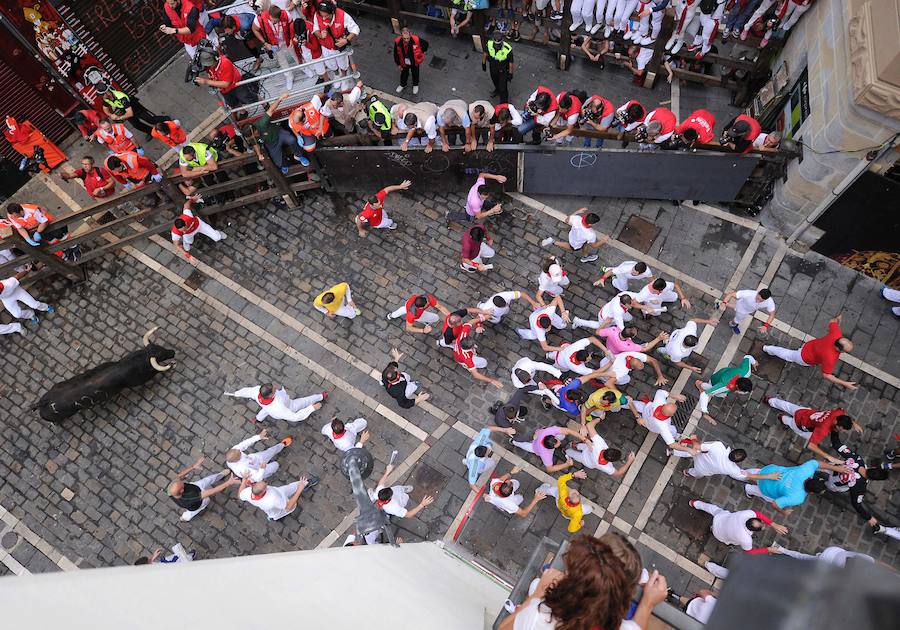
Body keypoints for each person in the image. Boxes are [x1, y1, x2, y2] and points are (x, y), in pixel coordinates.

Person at [499, 533, 670, 630]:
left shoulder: (539, 617)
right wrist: (647, 603)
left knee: (535, 585)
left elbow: (503, 628)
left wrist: (537, 594)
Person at [764, 315, 856, 390]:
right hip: (804, 357)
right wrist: (844, 383)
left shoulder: (836, 334)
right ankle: (767, 349)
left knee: (790, 354)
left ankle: (768, 349)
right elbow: (826, 375)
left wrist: (838, 319)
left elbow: (833, 321)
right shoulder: (830, 358)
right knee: (787, 355)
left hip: (809, 345)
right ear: (839, 349)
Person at [764, 397, 861, 464]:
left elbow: (843, 413)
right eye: (842, 428)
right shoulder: (823, 429)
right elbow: (811, 445)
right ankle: (782, 418)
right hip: (800, 424)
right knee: (790, 422)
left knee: (787, 405)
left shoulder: (838, 413)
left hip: (805, 412)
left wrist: (853, 423)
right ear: (837, 423)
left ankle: (770, 400)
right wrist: (827, 456)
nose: (842, 431)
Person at [744, 459, 852, 515]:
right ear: (811, 492)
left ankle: (741, 474)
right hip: (767, 490)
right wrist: (783, 511)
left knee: (746, 473)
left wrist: (837, 469)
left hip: (768, 471)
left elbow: (817, 463)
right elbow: (775, 503)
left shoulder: (806, 470)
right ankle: (748, 489)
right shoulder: (798, 498)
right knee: (756, 491)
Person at [247, 92, 309, 171]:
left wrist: (280, 98)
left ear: (255, 130)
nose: (253, 137)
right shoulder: (250, 137)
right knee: (278, 162)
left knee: (292, 140)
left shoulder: (261, 123)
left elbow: (271, 110)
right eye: (251, 137)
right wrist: (259, 154)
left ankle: (299, 156)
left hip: (279, 133)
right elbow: (256, 145)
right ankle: (283, 164)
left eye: (253, 135)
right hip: (271, 143)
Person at [691, 499, 788, 550]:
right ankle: (711, 529)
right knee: (731, 541)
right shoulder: (746, 539)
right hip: (718, 534)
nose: (763, 522)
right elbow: (749, 551)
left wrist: (774, 525)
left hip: (720, 517)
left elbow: (758, 514)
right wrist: (769, 550)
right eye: (762, 524)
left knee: (712, 508)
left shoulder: (747, 514)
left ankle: (695, 503)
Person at [167, 457, 237, 521]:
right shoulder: (190, 497)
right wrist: (228, 483)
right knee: (199, 506)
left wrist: (193, 467)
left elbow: (178, 477)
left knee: (208, 479)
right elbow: (213, 491)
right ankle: (185, 518)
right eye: (181, 483)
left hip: (194, 487)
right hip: (198, 502)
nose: (181, 480)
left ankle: (221, 475)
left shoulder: (170, 489)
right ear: (182, 490)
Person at [679, 437, 779, 481]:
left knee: (690, 452)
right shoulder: (733, 469)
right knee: (696, 473)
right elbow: (748, 477)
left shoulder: (718, 446)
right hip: (702, 470)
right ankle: (687, 472)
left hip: (698, 457)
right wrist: (769, 476)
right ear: (738, 462)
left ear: (733, 450)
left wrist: (694, 439)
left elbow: (699, 447)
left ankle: (673, 451)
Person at [696, 354, 756, 424]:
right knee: (714, 392)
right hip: (715, 381)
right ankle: (700, 385)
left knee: (720, 394)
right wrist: (705, 412)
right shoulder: (724, 387)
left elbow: (747, 357)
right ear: (737, 387)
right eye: (742, 391)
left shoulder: (746, 372)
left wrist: (754, 362)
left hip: (723, 372)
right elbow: (704, 395)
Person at [633, 389, 698, 454]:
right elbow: (672, 444)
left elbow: (660, 392)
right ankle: (676, 436)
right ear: (671, 415)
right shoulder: (663, 426)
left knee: (633, 404)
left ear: (663, 405)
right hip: (650, 426)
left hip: (646, 411)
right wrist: (689, 450)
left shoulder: (659, 402)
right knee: (673, 430)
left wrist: (675, 396)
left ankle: (624, 404)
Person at [567, 418, 636, 478]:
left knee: (582, 446)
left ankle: (574, 445)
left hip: (588, 448)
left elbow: (589, 425)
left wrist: (599, 418)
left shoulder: (600, 444)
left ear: (609, 449)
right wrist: (629, 461)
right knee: (574, 455)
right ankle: (566, 451)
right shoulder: (605, 467)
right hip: (587, 461)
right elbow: (618, 473)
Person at [224, 383, 325, 423]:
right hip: (289, 406)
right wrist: (312, 408)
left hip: (268, 408)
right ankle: (320, 396)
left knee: (265, 411)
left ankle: (258, 419)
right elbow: (295, 417)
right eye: (274, 389)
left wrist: (236, 394)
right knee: (305, 401)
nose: (275, 387)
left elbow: (246, 391)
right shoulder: (279, 407)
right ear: (271, 395)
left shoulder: (257, 391)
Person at [540, 207, 610, 263]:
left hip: (573, 236)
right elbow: (594, 245)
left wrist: (577, 212)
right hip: (576, 243)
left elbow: (567, 220)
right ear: (590, 224)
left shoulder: (576, 218)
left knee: (585, 244)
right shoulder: (591, 234)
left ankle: (585, 256)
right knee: (572, 247)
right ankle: (553, 242)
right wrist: (603, 240)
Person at [311, 1, 360, 79]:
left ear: (332, 12)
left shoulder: (343, 15)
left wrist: (346, 40)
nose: (323, 18)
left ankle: (344, 78)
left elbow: (355, 29)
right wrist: (320, 35)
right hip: (325, 46)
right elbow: (315, 28)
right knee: (330, 64)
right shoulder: (317, 14)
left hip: (338, 48)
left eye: (326, 16)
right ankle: (337, 75)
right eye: (322, 15)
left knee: (343, 65)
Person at [252, 5, 297, 89]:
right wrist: (265, 43)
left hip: (286, 39)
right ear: (269, 15)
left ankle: (304, 67)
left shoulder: (286, 14)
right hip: (274, 43)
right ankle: (289, 77)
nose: (274, 22)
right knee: (281, 60)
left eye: (276, 21)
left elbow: (291, 24)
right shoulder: (259, 19)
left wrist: (292, 37)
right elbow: (254, 29)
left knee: (295, 54)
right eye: (272, 20)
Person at [536, 367, 611, 417]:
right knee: (553, 402)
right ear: (573, 401)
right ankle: (546, 400)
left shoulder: (570, 386)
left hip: (557, 390)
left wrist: (602, 374)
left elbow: (588, 376)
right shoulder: (570, 407)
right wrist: (595, 407)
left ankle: (547, 398)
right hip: (558, 402)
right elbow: (581, 414)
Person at [237, 475, 319, 520]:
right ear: (262, 492)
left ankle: (305, 484)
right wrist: (299, 490)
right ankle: (272, 518)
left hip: (279, 492)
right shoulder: (272, 500)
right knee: (293, 506)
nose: (266, 483)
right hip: (280, 504)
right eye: (265, 485)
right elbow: (288, 506)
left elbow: (240, 495)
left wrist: (244, 479)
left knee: (291, 487)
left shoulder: (248, 492)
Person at [368, 463, 435, 518]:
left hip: (398, 490)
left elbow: (381, 483)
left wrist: (387, 472)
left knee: (399, 488)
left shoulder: (379, 491)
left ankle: (404, 489)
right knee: (402, 495)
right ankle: (387, 515)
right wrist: (422, 504)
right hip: (401, 500)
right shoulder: (394, 507)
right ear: (389, 498)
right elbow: (409, 515)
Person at [511, 425, 585, 473]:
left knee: (561, 434)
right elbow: (549, 469)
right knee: (522, 445)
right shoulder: (546, 454)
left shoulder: (548, 432)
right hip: (534, 447)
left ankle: (537, 432)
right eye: (557, 444)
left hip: (540, 435)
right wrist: (566, 464)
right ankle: (513, 441)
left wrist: (584, 439)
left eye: (557, 440)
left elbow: (567, 431)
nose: (559, 443)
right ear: (551, 448)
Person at [225, 429, 292, 482]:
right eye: (239, 452)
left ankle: (282, 444)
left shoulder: (234, 450)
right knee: (274, 466)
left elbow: (245, 443)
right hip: (257, 469)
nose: (239, 450)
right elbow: (257, 478)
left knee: (270, 451)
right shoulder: (242, 469)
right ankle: (276, 466)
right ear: (237, 459)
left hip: (254, 458)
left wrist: (259, 437)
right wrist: (262, 469)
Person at [101, 89, 167, 139]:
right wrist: (110, 115)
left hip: (134, 107)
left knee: (150, 119)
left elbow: (130, 114)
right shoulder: (106, 99)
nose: (101, 97)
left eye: (102, 94)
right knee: (136, 125)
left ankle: (166, 119)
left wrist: (119, 118)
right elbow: (105, 108)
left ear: (107, 93)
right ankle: (151, 132)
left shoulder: (121, 97)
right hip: (124, 109)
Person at [572, 291, 644, 331]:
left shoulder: (623, 295)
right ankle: (579, 321)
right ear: (624, 304)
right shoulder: (618, 311)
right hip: (606, 318)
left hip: (614, 313)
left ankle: (631, 320)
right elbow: (620, 326)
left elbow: (638, 295)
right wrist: (628, 334)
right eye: (629, 305)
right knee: (599, 326)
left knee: (629, 318)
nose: (632, 305)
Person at [600, 349, 668, 386]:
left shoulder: (633, 354)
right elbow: (609, 382)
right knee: (627, 379)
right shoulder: (623, 371)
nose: (642, 364)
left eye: (641, 362)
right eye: (639, 366)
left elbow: (653, 360)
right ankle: (602, 379)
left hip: (605, 360)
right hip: (606, 371)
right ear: (632, 367)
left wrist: (660, 376)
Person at [393, 26, 428, 95]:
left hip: (414, 61)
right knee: (404, 73)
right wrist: (398, 64)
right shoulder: (397, 41)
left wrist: (421, 52)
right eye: (404, 38)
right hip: (404, 62)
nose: (406, 40)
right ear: (401, 36)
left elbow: (425, 44)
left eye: (407, 38)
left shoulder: (416, 39)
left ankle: (415, 84)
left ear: (410, 34)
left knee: (415, 73)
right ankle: (403, 84)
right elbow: (395, 53)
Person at [483, 31, 514, 103]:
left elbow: (510, 63)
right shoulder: (489, 44)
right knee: (495, 81)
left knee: (503, 88)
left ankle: (504, 102)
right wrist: (483, 63)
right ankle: (497, 90)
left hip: (503, 70)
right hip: (493, 67)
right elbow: (485, 53)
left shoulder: (507, 49)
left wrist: (510, 74)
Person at [597, 325, 668, 356]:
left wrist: (606, 321)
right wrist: (658, 338)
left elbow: (597, 332)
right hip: (615, 353)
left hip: (608, 345)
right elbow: (645, 349)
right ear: (631, 337)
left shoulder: (613, 330)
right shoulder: (628, 346)